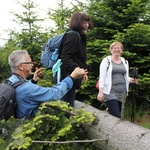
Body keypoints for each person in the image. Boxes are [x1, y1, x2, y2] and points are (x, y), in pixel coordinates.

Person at [8, 50, 88, 119]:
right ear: (21, 66)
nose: (32, 64)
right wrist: (72, 77)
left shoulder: (9, 81)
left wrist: (34, 80)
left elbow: (22, 92)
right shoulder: (27, 89)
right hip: (24, 130)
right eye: (29, 62)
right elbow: (54, 93)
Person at [58, 12, 93, 107]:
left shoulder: (80, 36)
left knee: (68, 106)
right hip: (67, 78)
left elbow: (79, 58)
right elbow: (65, 57)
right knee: (67, 108)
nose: (86, 25)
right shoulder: (73, 35)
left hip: (72, 77)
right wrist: (78, 70)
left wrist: (84, 72)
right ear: (77, 22)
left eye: (87, 23)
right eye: (84, 22)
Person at [97, 42, 137, 118]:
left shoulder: (125, 62)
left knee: (117, 114)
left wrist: (132, 80)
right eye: (114, 48)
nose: (116, 50)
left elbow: (125, 76)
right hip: (110, 92)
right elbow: (102, 77)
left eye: (119, 48)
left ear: (121, 50)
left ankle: (107, 118)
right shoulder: (106, 61)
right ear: (111, 50)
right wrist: (100, 92)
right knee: (116, 115)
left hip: (122, 93)